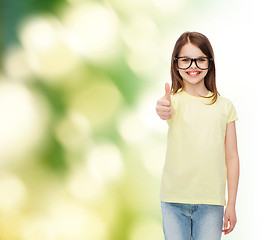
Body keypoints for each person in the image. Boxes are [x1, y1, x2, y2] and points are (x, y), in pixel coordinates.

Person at [155, 31, 239, 240]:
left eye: (200, 59)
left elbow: (232, 158)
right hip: (173, 200)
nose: (193, 66)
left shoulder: (224, 106)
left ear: (210, 63)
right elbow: (164, 109)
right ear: (176, 64)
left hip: (211, 203)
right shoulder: (172, 102)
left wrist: (232, 204)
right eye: (186, 60)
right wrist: (162, 108)